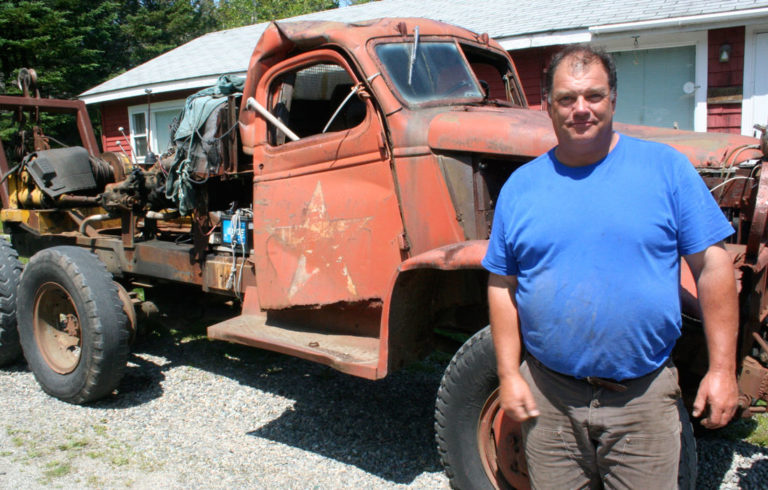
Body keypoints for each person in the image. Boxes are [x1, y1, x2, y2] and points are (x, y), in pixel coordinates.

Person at [482, 44, 739, 489]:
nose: (580, 109)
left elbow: (713, 267)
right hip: (550, 399)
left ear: (613, 99)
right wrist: (507, 373)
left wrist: (721, 370)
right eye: (566, 98)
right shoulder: (521, 188)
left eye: (593, 96)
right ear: (547, 106)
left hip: (642, 400)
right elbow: (502, 283)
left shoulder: (667, 170)